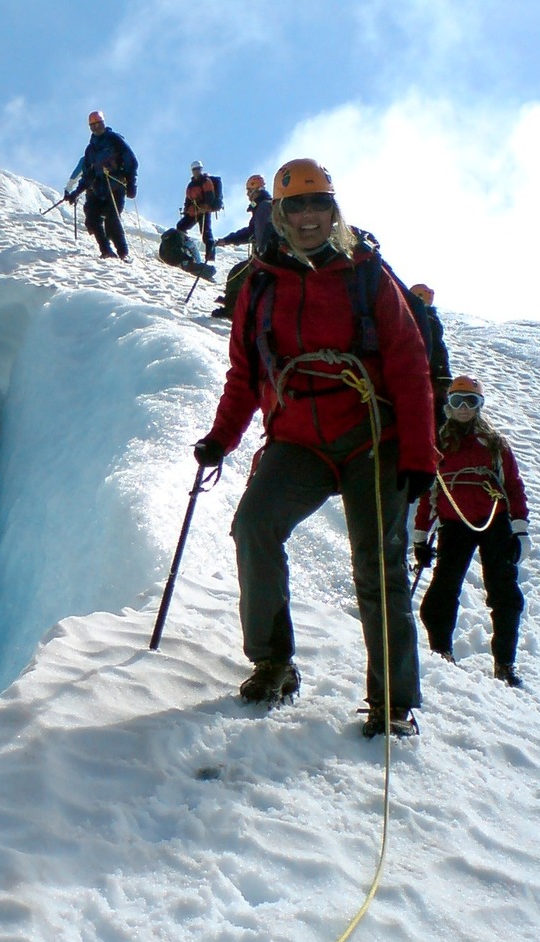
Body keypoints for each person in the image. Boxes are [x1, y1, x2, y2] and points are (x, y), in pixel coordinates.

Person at [192, 157, 439, 738]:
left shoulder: (367, 274)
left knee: (378, 563)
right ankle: (274, 662)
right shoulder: (257, 285)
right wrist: (220, 439)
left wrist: (421, 457)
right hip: (299, 439)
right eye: (295, 206)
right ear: (277, 214)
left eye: (317, 204)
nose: (307, 216)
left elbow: (409, 366)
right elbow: (245, 375)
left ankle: (392, 702)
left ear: (335, 211)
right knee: (254, 525)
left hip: (372, 438)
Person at [412, 375, 530, 686]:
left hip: (495, 522)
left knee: (504, 593)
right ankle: (441, 653)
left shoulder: (495, 445)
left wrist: (520, 529)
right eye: (457, 402)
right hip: (455, 524)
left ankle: (505, 664)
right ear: (448, 406)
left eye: (471, 402)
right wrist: (421, 537)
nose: (464, 408)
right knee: (441, 592)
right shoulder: (438, 445)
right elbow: (431, 494)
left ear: (479, 406)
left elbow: (513, 486)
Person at [64, 111, 138, 260]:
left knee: (112, 218)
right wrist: (76, 192)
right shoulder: (90, 149)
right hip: (99, 189)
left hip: (116, 185)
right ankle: (106, 251)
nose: (97, 127)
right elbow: (87, 175)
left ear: (104, 123)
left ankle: (123, 253)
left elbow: (131, 160)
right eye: (93, 125)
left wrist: (131, 182)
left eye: (99, 124)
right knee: (92, 217)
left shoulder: (114, 139)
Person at [211, 174, 274, 319]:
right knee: (242, 275)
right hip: (267, 257)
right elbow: (252, 232)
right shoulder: (265, 206)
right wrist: (227, 240)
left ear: (256, 190)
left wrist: (262, 252)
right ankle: (235, 303)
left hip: (264, 259)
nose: (248, 195)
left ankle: (232, 309)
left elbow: (260, 232)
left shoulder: (263, 207)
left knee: (237, 275)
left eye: (249, 191)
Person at [409, 283, 452, 427]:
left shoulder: (425, 320)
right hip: (435, 375)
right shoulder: (431, 319)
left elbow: (436, 351)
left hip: (430, 376)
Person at [176, 161, 220, 261]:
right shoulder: (191, 184)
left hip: (203, 211)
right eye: (194, 169)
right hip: (195, 211)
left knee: (206, 234)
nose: (196, 171)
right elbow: (187, 199)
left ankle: (210, 257)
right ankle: (185, 248)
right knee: (181, 227)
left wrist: (204, 206)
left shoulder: (206, 181)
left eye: (198, 169)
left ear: (201, 169)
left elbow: (210, 196)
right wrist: (187, 209)